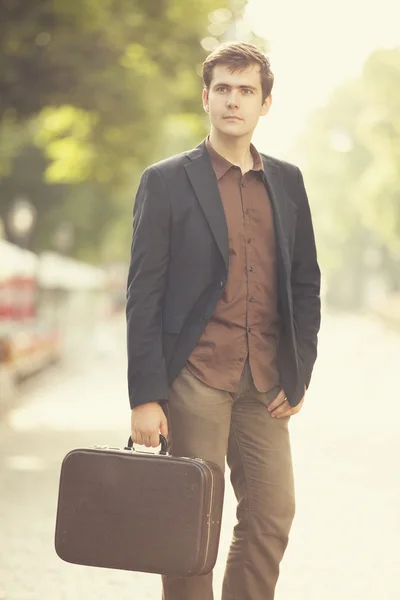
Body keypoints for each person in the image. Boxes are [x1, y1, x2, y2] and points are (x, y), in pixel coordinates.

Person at [126, 41, 321, 600]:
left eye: (247, 91)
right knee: (190, 523)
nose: (235, 101)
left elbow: (305, 284)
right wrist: (146, 396)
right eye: (225, 90)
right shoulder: (164, 181)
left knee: (271, 516)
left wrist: (299, 371)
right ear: (206, 98)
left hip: (265, 382)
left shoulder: (287, 182)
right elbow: (144, 293)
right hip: (195, 377)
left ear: (265, 104)